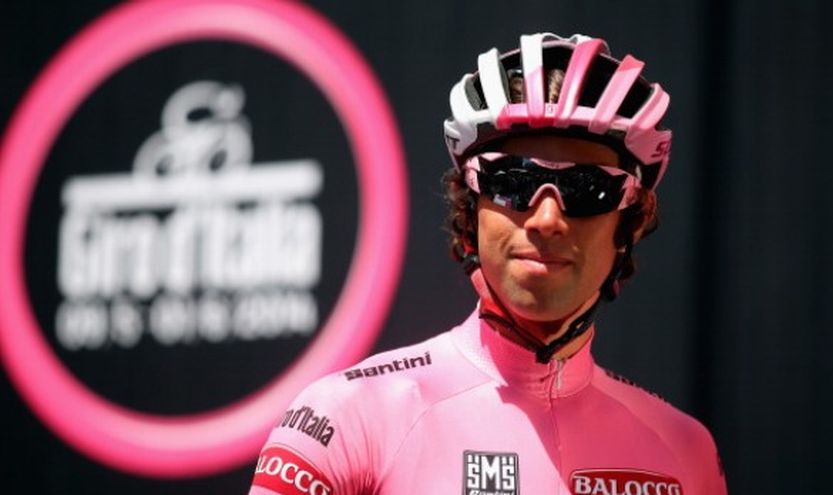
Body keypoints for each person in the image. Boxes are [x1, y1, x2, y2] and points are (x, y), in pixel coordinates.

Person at [248, 32, 727, 495]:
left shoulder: (685, 451)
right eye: (511, 181)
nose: (546, 220)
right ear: (470, 208)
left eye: (588, 189)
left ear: (631, 223)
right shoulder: (349, 416)